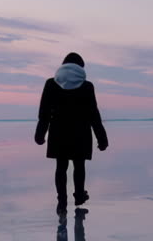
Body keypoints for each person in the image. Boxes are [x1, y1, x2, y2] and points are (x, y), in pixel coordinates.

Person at [34, 52, 108, 213]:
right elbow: (93, 114)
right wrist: (102, 138)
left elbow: (44, 111)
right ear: (80, 68)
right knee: (79, 165)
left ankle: (62, 202)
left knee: (61, 166)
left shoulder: (51, 84)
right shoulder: (87, 86)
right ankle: (80, 196)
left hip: (58, 131)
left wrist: (40, 134)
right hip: (80, 132)